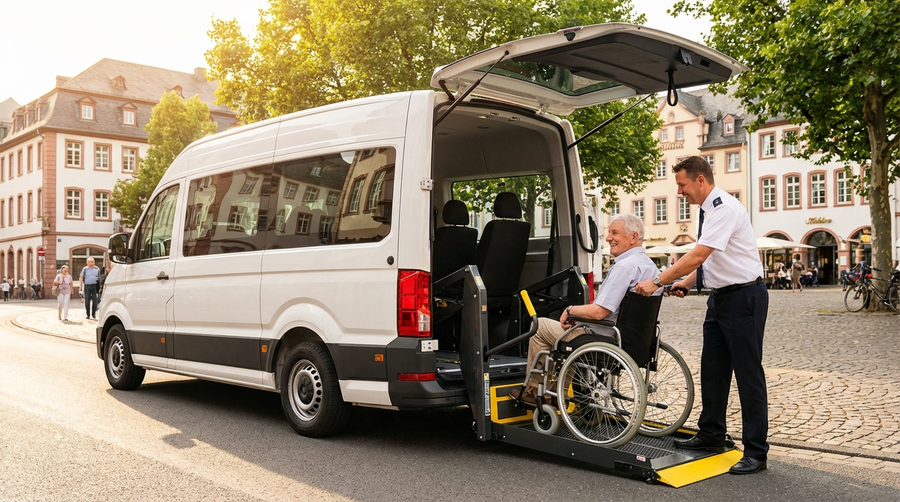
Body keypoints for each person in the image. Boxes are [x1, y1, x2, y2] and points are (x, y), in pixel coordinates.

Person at [635, 156, 769, 475]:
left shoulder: (724, 208)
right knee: (713, 369)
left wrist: (658, 280)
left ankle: (756, 452)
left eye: (682, 184)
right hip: (721, 298)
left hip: (744, 297)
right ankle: (711, 434)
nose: (680, 191)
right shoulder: (707, 211)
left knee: (748, 374)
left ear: (699, 180)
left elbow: (698, 255)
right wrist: (686, 282)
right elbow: (712, 262)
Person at [509, 213, 660, 406]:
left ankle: (533, 390)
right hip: (635, 341)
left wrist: (571, 310)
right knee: (574, 331)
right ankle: (558, 391)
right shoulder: (651, 268)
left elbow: (600, 312)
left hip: (605, 340)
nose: (608, 238)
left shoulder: (624, 267)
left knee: (540, 327)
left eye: (615, 233)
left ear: (633, 237)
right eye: (608, 232)